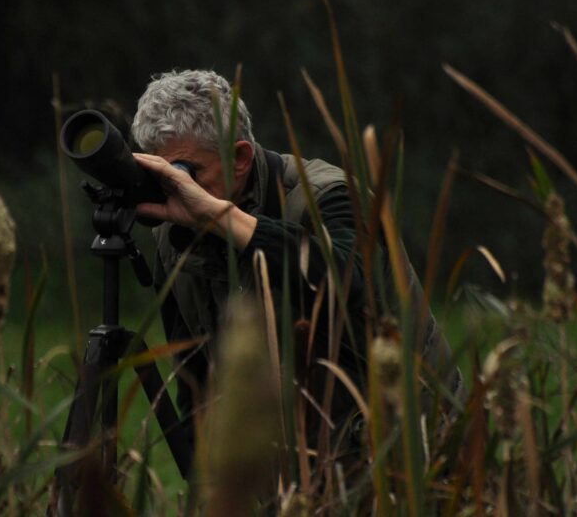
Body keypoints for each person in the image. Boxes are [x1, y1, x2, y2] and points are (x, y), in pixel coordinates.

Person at [128, 69, 461, 481]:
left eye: (187, 172)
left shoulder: (329, 195)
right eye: (163, 176)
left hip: (408, 456)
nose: (177, 189)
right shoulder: (172, 234)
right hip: (293, 469)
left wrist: (217, 215)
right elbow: (195, 377)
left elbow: (348, 279)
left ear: (241, 158)